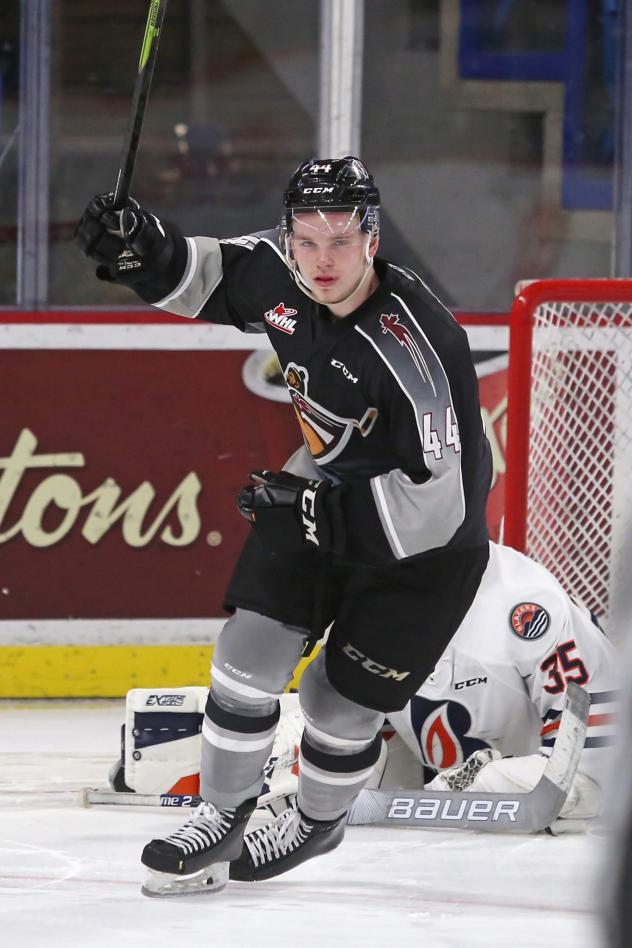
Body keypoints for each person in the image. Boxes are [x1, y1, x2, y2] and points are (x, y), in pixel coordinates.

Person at [76, 156, 493, 896]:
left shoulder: (416, 348)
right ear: (288, 236)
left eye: (339, 239)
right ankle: (222, 809)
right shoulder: (282, 272)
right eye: (306, 238)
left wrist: (311, 511)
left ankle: (315, 821)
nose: (321, 259)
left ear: (371, 237)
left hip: (421, 554)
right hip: (325, 490)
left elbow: (445, 505)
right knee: (246, 657)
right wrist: (140, 245)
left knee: (336, 702)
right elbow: (205, 274)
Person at [111, 541, 617, 833]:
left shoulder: (523, 606)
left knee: (544, 784)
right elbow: (363, 716)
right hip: (425, 757)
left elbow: (594, 770)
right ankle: (186, 751)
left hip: (561, 759)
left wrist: (460, 794)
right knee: (313, 746)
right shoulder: (360, 583)